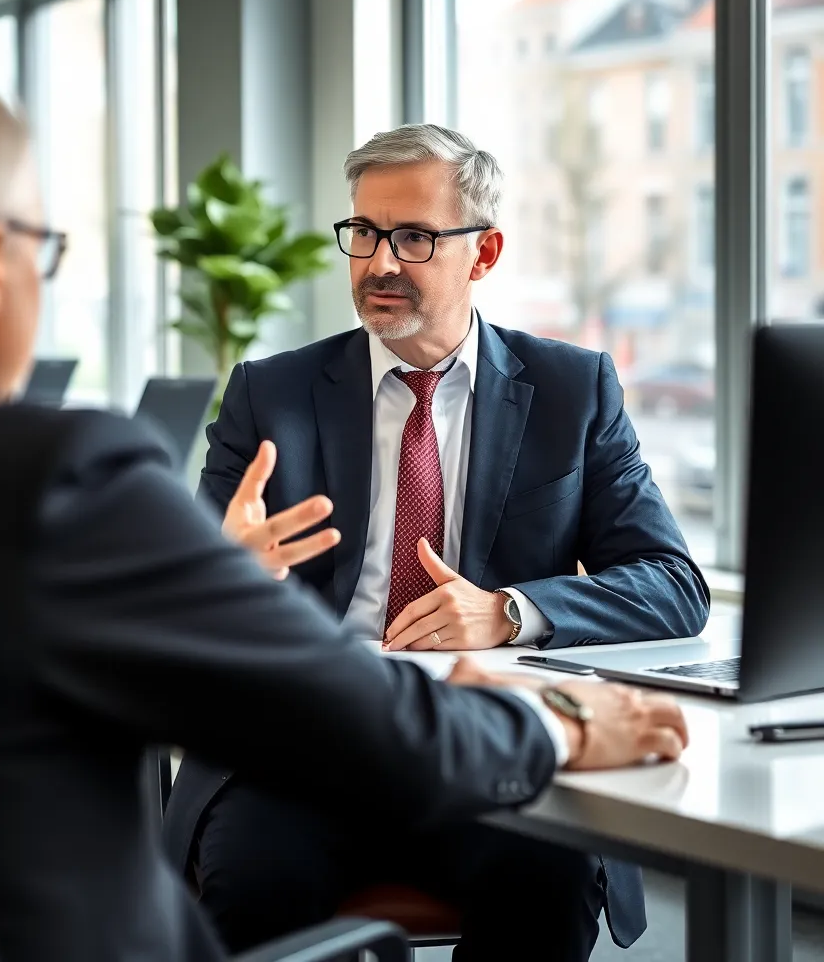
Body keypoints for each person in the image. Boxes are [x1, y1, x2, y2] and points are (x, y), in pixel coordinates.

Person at [165, 124, 710, 960]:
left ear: (482, 253)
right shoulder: (268, 394)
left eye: (414, 236)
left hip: (493, 739)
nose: (379, 261)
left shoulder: (572, 391)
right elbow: (185, 599)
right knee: (251, 883)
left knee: (549, 885)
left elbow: (672, 582)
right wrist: (221, 578)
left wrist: (510, 609)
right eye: (365, 233)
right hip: (310, 746)